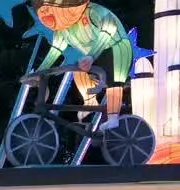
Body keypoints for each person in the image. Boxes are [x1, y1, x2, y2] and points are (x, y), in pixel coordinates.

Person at [32, 0, 133, 129]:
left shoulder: (93, 12)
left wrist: (92, 55)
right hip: (92, 56)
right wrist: (40, 71)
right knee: (78, 71)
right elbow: (56, 49)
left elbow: (109, 29)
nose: (44, 10)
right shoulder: (61, 30)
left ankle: (113, 118)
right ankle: (90, 101)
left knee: (114, 80)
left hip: (116, 46)